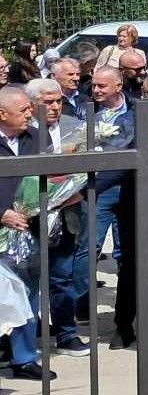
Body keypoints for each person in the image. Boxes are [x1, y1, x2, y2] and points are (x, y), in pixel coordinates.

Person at [25, 78, 89, 355]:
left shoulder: (74, 127)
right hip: (29, 217)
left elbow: (91, 164)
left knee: (62, 277)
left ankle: (66, 334)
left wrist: (77, 190)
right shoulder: (23, 132)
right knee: (28, 280)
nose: (54, 107)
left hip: (67, 214)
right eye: (47, 102)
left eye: (58, 101)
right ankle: (26, 341)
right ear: (31, 105)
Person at [0, 86, 55, 380]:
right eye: (23, 110)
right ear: (2, 114)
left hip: (28, 228)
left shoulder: (37, 137)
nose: (30, 114)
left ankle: (23, 357)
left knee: (27, 292)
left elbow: (52, 176)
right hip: (2, 225)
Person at [87, 66, 142, 347]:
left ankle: (125, 323)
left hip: (130, 190)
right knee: (88, 250)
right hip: (97, 191)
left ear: (118, 85)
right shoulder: (86, 112)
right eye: (94, 85)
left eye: (102, 86)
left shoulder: (137, 111)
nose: (96, 90)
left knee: (128, 256)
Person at [50, 57, 88, 123]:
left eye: (78, 74)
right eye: (70, 74)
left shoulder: (86, 99)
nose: (76, 78)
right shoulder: (49, 102)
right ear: (54, 76)